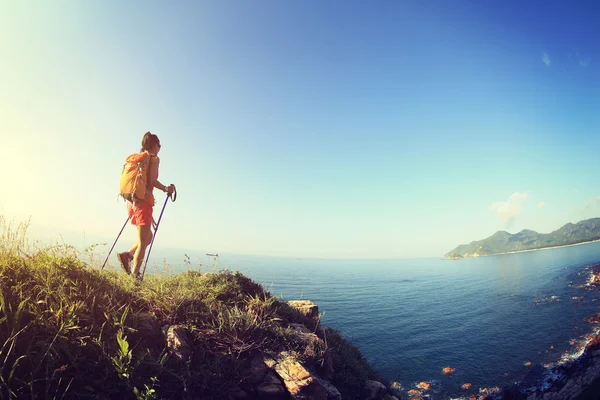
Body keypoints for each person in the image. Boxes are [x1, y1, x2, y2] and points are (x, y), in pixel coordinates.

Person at [118, 132, 175, 279]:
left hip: (132, 201)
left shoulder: (138, 159)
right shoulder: (153, 159)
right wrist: (166, 189)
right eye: (159, 145)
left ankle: (128, 255)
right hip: (142, 203)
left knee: (147, 236)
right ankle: (135, 276)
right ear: (154, 145)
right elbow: (151, 182)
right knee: (143, 242)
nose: (159, 149)